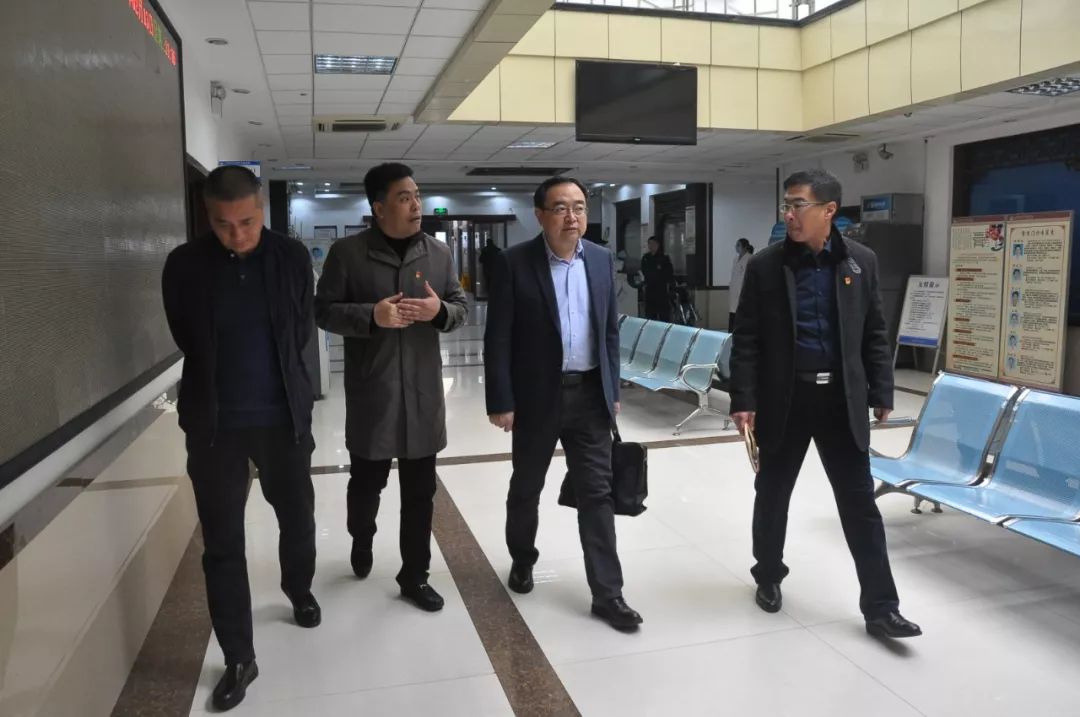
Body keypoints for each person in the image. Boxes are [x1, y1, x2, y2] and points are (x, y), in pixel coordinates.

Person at [730, 169, 921, 640]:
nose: (789, 214)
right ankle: (768, 574)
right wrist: (743, 399)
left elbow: (874, 332)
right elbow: (746, 338)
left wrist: (881, 390)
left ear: (829, 211)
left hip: (840, 400)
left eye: (797, 205)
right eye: (786, 205)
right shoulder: (766, 265)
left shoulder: (861, 261)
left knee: (860, 505)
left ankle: (881, 607)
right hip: (785, 400)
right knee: (773, 493)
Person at [162, 166, 320, 711]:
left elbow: (300, 329)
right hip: (215, 427)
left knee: (297, 517)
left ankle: (298, 587)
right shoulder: (185, 264)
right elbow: (185, 335)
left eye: (247, 222)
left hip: (283, 418)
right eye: (223, 225)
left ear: (262, 210)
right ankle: (238, 656)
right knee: (222, 542)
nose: (237, 234)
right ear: (208, 217)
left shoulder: (290, 257)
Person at [484, 177, 642, 631]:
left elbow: (609, 331)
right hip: (537, 397)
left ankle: (608, 594)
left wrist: (612, 391)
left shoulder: (600, 259)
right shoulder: (515, 263)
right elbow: (498, 338)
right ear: (540, 215)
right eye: (560, 208)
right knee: (526, 486)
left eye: (579, 207)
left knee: (597, 493)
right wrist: (501, 400)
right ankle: (523, 557)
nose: (572, 217)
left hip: (589, 395)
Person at [315, 163, 468, 613]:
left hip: (423, 395)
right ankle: (361, 537)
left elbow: (459, 307)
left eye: (417, 195)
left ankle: (414, 576)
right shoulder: (348, 254)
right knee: (367, 486)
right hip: (374, 396)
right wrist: (371, 316)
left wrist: (441, 312)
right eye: (404, 197)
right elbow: (322, 311)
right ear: (379, 208)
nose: (416, 205)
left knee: (420, 494)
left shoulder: (438, 253)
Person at [640, 235, 674, 321]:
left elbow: (669, 273)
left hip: (661, 290)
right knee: (650, 314)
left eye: (653, 244)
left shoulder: (664, 258)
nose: (651, 246)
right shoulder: (645, 258)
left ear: (657, 245)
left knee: (664, 315)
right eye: (649, 244)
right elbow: (644, 271)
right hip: (649, 289)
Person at [729, 237, 754, 328]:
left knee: (742, 312)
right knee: (733, 312)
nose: (736, 247)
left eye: (738, 245)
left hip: (744, 290)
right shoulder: (735, 259)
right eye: (736, 245)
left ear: (745, 247)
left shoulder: (750, 258)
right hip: (734, 290)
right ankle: (731, 332)